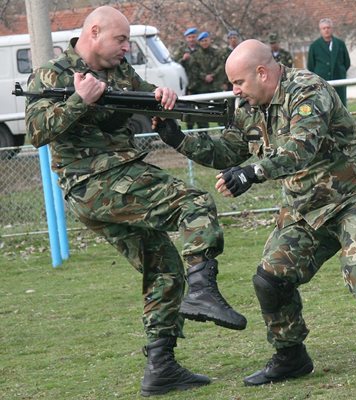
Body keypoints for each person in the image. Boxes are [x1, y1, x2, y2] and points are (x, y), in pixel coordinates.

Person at [154, 39, 356, 387]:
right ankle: (291, 357)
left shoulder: (307, 91)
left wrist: (252, 173)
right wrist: (177, 139)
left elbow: (300, 149)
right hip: (305, 209)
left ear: (261, 72)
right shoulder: (250, 108)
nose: (234, 91)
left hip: (355, 198)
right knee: (270, 278)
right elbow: (227, 151)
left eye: (238, 82)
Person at [25, 6, 247, 397]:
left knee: (163, 267)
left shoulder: (120, 72)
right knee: (193, 202)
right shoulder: (53, 74)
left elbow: (144, 96)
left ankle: (161, 368)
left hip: (117, 179)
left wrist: (161, 97)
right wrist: (79, 100)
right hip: (95, 181)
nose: (127, 48)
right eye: (121, 40)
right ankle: (202, 292)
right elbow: (35, 132)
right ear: (94, 33)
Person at [307, 18, 351, 106]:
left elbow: (347, 62)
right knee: (325, 107)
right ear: (320, 30)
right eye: (324, 28)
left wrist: (340, 72)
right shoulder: (314, 46)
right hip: (322, 82)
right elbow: (311, 66)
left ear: (332, 29)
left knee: (340, 105)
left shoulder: (340, 43)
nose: (326, 30)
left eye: (328, 28)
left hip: (339, 81)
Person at [189, 31, 226, 132]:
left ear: (210, 40)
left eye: (206, 40)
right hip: (202, 88)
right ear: (199, 43)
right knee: (203, 113)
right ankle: (204, 135)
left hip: (215, 87)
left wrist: (213, 75)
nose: (204, 43)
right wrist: (204, 76)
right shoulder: (195, 55)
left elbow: (222, 65)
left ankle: (225, 133)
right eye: (202, 41)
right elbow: (194, 69)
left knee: (221, 111)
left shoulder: (217, 53)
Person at [173, 27, 198, 130]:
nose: (191, 39)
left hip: (199, 83)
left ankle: (203, 131)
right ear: (186, 39)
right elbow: (174, 64)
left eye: (193, 37)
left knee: (202, 107)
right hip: (186, 84)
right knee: (188, 109)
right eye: (189, 37)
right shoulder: (181, 50)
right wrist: (182, 59)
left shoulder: (200, 49)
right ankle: (190, 130)